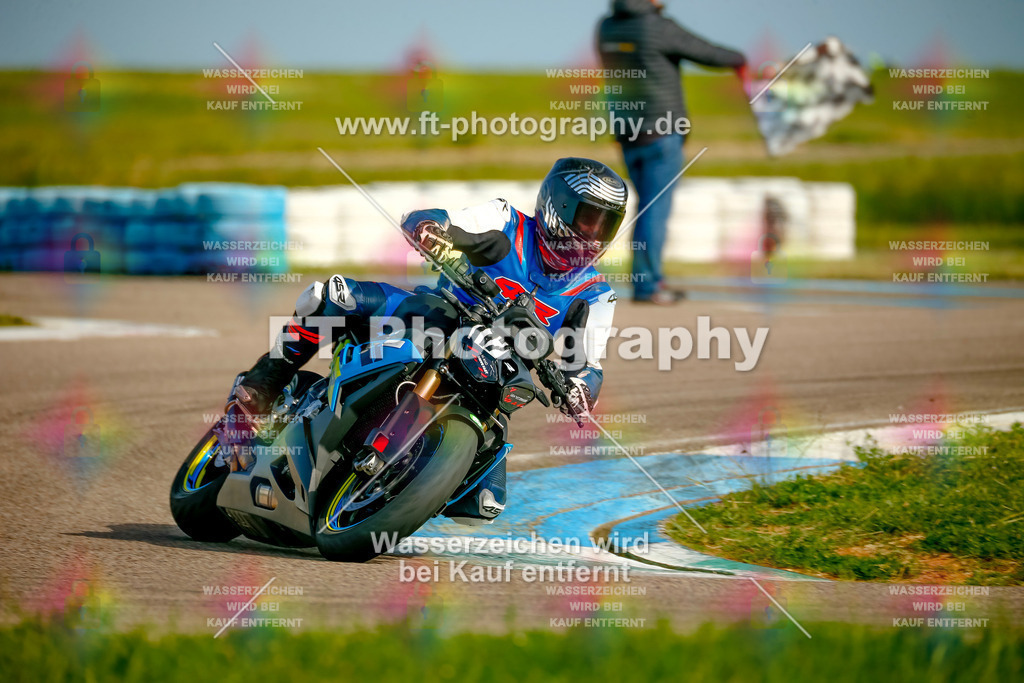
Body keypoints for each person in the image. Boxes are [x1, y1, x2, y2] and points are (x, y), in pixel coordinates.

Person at [224, 158, 627, 524]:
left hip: (496, 376)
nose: (593, 235)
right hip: (436, 317)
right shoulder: (508, 222)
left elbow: (587, 364)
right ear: (558, 207)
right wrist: (431, 230)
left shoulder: (594, 294)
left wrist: (579, 389)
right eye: (588, 219)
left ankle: (400, 487)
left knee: (484, 504)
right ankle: (256, 392)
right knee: (331, 297)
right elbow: (443, 220)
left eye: (605, 225)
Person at [598, 0, 746, 304]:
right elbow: (709, 53)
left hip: (627, 133)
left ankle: (647, 280)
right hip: (661, 133)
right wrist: (740, 59)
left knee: (645, 207)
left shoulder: (607, 28)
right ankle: (648, 285)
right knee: (654, 210)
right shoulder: (658, 27)